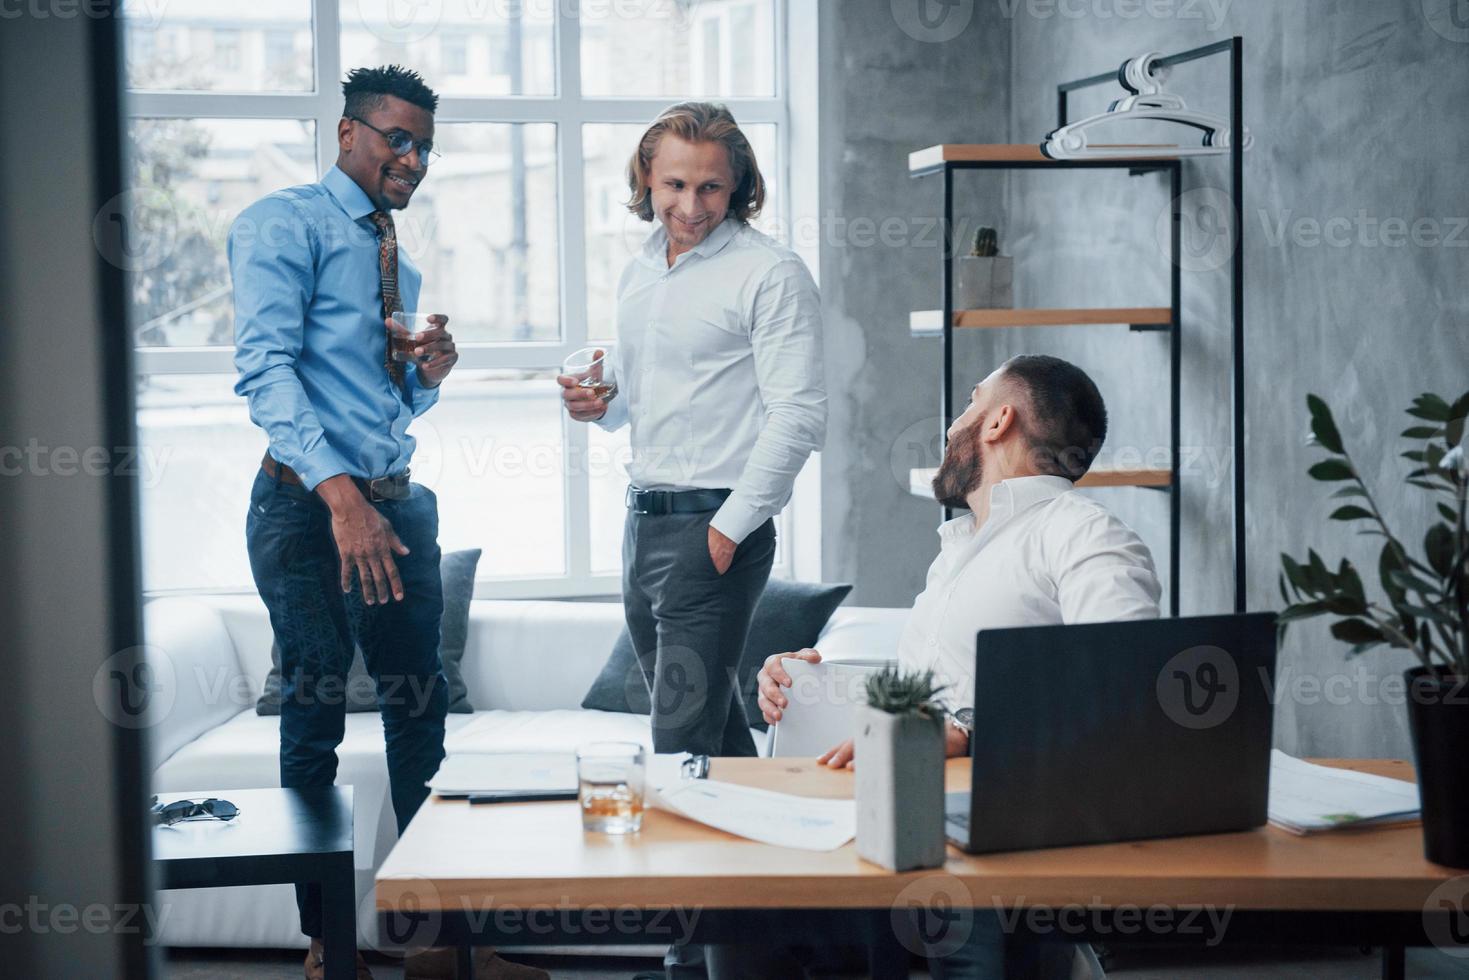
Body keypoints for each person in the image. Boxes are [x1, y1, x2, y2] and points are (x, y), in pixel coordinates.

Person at [230, 65, 542, 980]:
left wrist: (425, 373)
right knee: (315, 712)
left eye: (425, 146)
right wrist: (340, 500)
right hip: (304, 506)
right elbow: (267, 372)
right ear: (347, 133)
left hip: (395, 500)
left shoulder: (393, 255)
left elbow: (382, 403)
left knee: (419, 716)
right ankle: (329, 948)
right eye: (396, 138)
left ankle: (446, 950)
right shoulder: (280, 224)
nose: (413, 158)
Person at [755, 354, 1160, 979]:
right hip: (895, 821)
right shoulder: (958, 553)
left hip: (987, 846)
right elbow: (923, 699)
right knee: (736, 916)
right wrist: (810, 684)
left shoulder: (1083, 534)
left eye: (970, 403)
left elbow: (1125, 693)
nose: (952, 427)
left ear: (999, 421)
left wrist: (972, 735)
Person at [559, 102, 826, 759]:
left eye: (710, 186)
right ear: (646, 179)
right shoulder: (640, 270)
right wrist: (600, 400)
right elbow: (639, 393)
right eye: (674, 185)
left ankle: (686, 864)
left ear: (737, 184)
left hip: (712, 527)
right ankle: (770, 856)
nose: (690, 205)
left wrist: (725, 532)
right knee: (707, 731)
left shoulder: (770, 273)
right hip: (641, 524)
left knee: (678, 740)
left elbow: (797, 415)